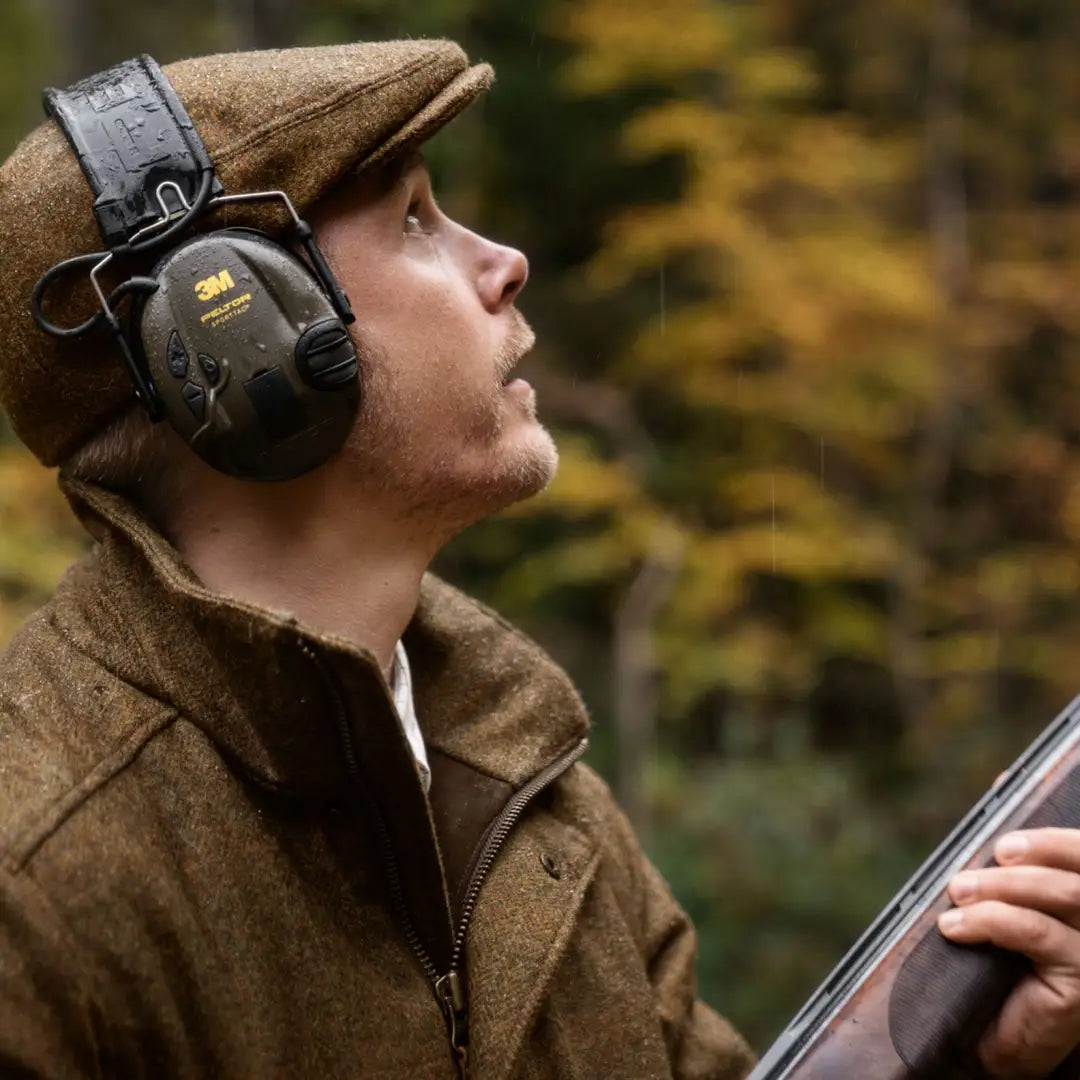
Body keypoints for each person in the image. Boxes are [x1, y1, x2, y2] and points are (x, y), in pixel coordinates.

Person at [0, 39, 1079, 1080]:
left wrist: (971, 1059)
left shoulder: (525, 784)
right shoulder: (37, 883)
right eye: (416, 220)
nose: (505, 264)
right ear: (239, 353)